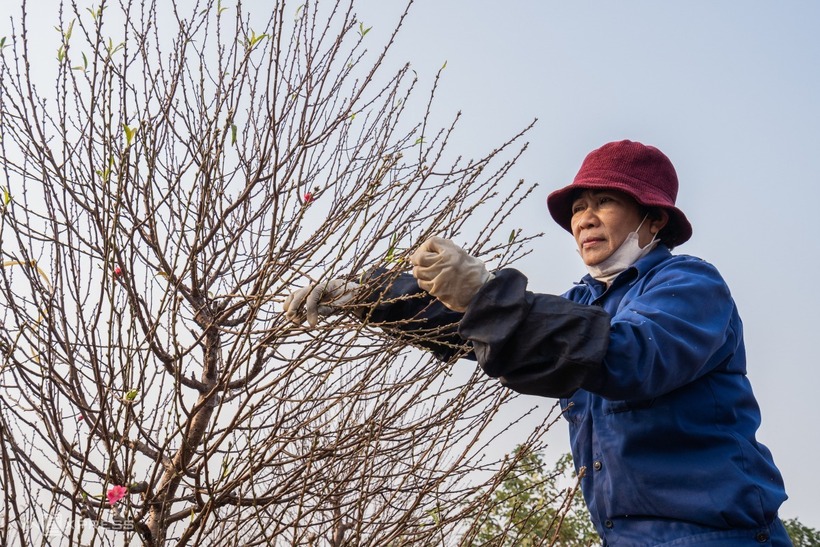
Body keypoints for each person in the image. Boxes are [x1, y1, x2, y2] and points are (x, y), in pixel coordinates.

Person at [284, 140, 791, 546]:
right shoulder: (584, 302)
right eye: (579, 207)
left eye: (606, 202)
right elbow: (477, 325)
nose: (584, 218)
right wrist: (368, 297)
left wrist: (487, 295)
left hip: (720, 536)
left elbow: (633, 356)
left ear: (654, 219)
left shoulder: (689, 285)